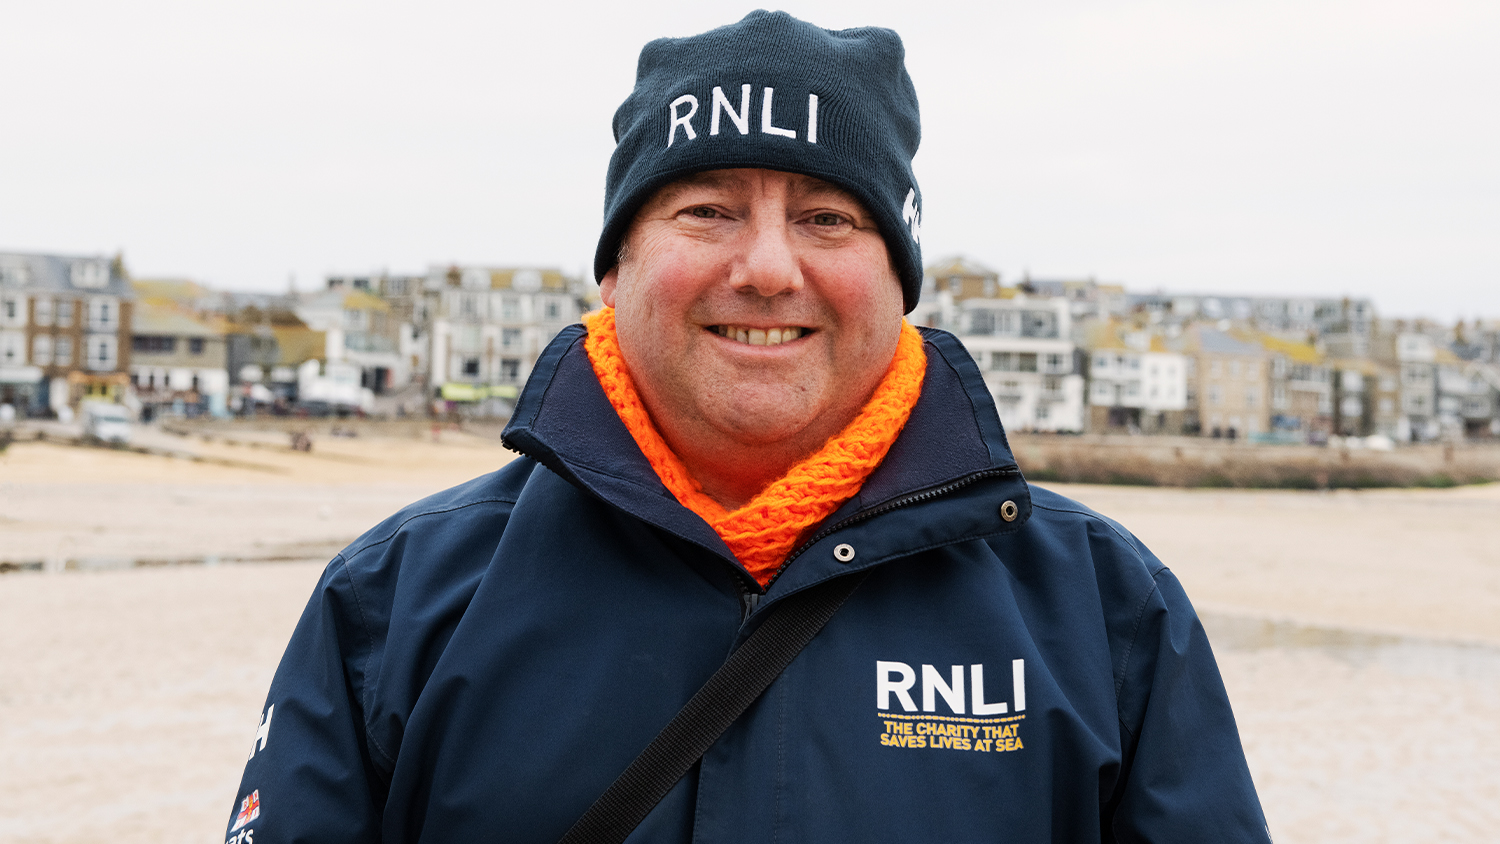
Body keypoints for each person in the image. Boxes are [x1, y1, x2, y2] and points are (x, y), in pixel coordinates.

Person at [225, 11, 1270, 843]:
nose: (768, 268)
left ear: (896, 279)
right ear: (614, 266)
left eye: (827, 217)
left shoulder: (1102, 608)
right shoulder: (396, 601)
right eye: (707, 211)